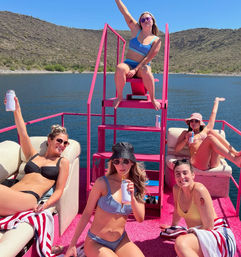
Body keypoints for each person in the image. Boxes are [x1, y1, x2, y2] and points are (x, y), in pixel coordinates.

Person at [64, 142, 147, 257]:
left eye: (125, 161)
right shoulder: (102, 183)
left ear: (132, 162)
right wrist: (72, 244)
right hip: (96, 242)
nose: (121, 166)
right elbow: (87, 213)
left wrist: (132, 196)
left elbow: (140, 218)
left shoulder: (136, 186)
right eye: (117, 161)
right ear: (113, 163)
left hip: (121, 240)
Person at [0, 96, 70, 216]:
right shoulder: (33, 156)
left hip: (28, 198)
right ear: (49, 140)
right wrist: (17, 110)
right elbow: (23, 134)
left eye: (65, 143)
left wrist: (45, 205)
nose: (62, 145)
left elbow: (59, 190)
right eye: (59, 140)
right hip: (11, 193)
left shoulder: (62, 162)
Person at [161, 159, 236, 257]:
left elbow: (209, 226)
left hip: (217, 235)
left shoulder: (199, 190)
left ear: (193, 175)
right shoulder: (176, 189)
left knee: (181, 244)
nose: (182, 177)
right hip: (199, 233)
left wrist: (187, 235)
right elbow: (177, 211)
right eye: (177, 174)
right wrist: (173, 228)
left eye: (185, 173)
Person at [114, 0, 162, 110]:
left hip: (142, 67)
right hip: (129, 64)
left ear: (152, 21)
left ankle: (153, 98)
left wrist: (135, 70)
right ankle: (120, 97)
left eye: (148, 19)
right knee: (120, 68)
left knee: (146, 70)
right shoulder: (136, 31)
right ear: (140, 22)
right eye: (143, 19)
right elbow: (125, 12)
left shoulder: (156, 40)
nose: (145, 21)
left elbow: (148, 57)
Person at [175, 97, 241, 170]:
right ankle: (235, 160)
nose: (193, 123)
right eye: (191, 121)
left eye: (196, 121)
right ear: (189, 122)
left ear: (200, 123)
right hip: (197, 162)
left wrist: (217, 101)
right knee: (210, 137)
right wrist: (185, 140)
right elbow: (176, 150)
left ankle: (235, 152)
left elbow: (213, 113)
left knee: (211, 132)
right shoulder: (185, 133)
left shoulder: (206, 130)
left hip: (212, 163)